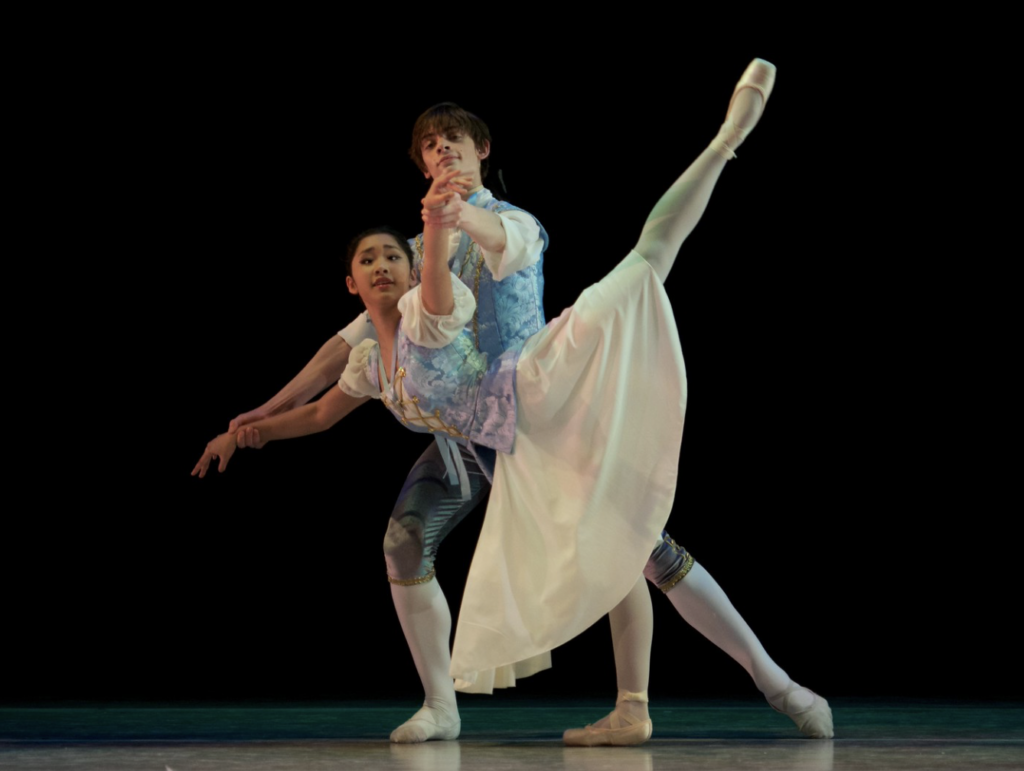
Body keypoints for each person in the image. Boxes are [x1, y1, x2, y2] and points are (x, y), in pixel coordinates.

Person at [195, 59, 834, 745]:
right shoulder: (406, 253)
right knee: (406, 540)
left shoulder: (506, 223)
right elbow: (341, 351)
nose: (443, 151)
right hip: (470, 432)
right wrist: (258, 414)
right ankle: (447, 706)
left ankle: (768, 684)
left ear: (483, 151)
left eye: (455, 142)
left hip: (538, 395)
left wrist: (454, 214)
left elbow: (489, 243)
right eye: (431, 147)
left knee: (637, 538)